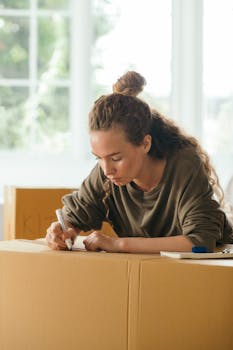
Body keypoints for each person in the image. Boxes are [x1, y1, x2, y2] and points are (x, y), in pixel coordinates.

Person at [46, 71, 233, 253]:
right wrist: (62, 230)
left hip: (210, 274)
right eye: (98, 158)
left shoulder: (183, 164)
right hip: (150, 275)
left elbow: (199, 243)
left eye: (116, 158)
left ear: (145, 144)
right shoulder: (107, 172)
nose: (107, 170)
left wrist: (118, 244)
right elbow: (75, 216)